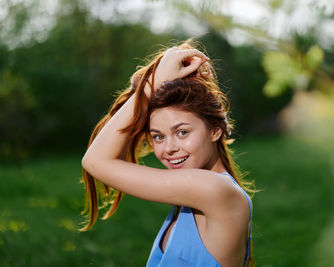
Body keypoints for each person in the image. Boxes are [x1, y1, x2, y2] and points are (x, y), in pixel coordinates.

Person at [80, 40, 256, 267]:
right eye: (158, 136)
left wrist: (150, 85)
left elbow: (94, 160)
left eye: (182, 132)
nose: (169, 148)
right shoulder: (191, 196)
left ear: (215, 130)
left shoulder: (214, 190)